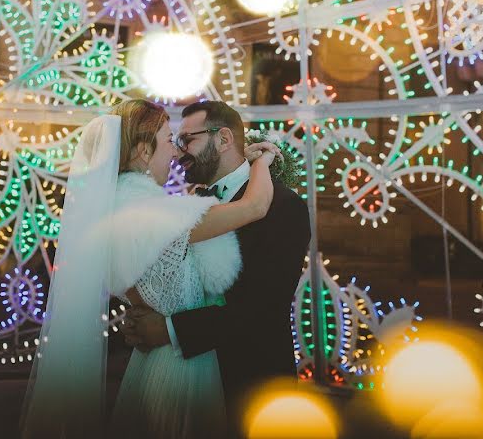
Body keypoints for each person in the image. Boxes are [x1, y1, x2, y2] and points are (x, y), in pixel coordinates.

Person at [20, 99, 281, 438]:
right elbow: (257, 205)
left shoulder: (113, 210)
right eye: (170, 139)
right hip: (181, 369)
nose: (176, 152)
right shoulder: (155, 216)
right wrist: (262, 160)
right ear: (143, 151)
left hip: (148, 363)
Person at [121, 100, 312, 439]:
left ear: (223, 139)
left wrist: (168, 329)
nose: (180, 154)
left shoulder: (283, 207)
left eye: (187, 140)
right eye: (174, 142)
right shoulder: (190, 206)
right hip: (188, 385)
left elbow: (264, 311)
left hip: (251, 391)